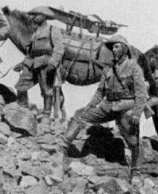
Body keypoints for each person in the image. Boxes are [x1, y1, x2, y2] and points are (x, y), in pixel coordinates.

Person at [62, 35, 148, 171]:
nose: (113, 50)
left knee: (133, 141)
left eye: (116, 46)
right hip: (107, 106)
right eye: (111, 47)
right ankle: (62, 148)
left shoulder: (133, 67)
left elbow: (141, 94)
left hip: (126, 107)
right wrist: (89, 105)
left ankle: (135, 171)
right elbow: (100, 92)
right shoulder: (108, 69)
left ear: (125, 49)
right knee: (79, 116)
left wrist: (136, 114)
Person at [14, 6, 65, 119]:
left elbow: (59, 48)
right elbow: (29, 53)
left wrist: (53, 63)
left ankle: (46, 115)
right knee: (21, 86)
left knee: (47, 90)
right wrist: (22, 63)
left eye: (37, 15)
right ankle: (24, 109)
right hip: (33, 62)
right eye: (34, 15)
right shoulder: (34, 33)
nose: (34, 17)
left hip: (46, 62)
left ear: (44, 16)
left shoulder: (53, 29)